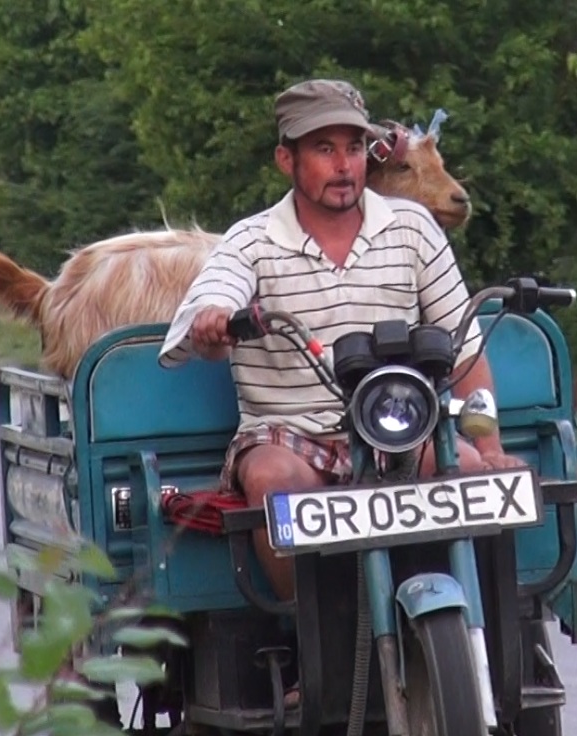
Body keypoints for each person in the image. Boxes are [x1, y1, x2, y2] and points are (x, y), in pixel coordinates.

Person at [159, 78, 527, 602]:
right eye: (324, 149)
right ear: (286, 160)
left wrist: (490, 450)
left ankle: (470, 637)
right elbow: (215, 309)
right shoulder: (251, 241)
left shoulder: (413, 227)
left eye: (353, 148)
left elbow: (464, 351)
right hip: (289, 435)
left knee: (467, 471)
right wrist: (213, 321)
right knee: (271, 477)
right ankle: (304, 631)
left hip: (399, 427)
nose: (343, 166)